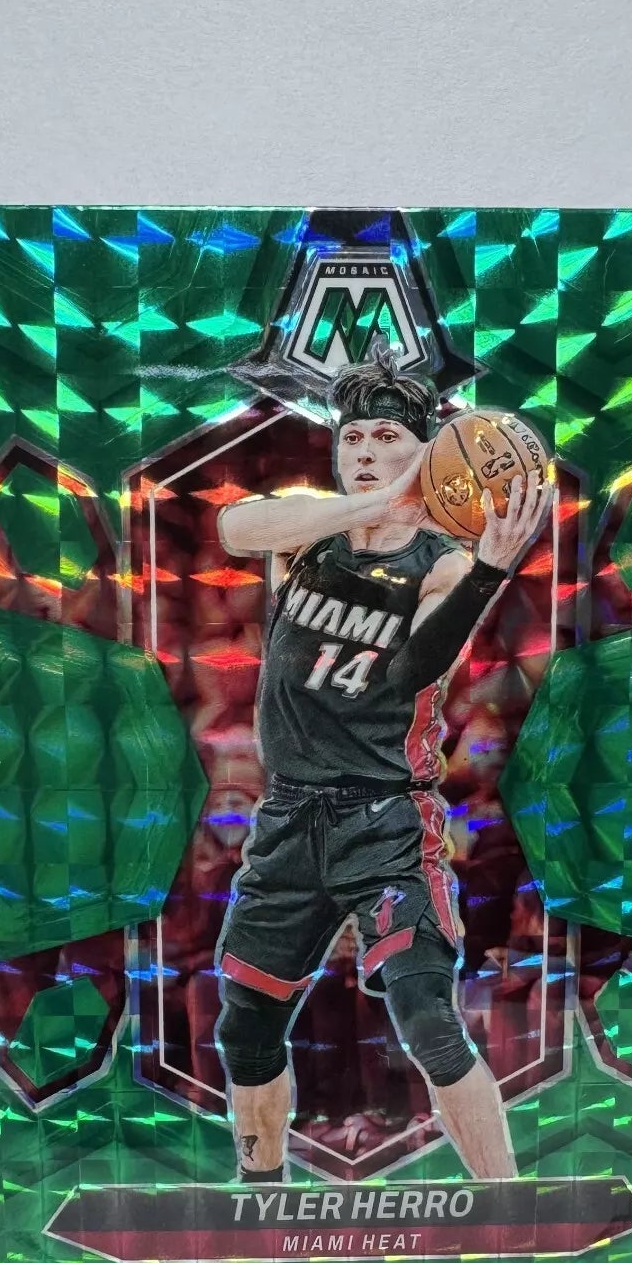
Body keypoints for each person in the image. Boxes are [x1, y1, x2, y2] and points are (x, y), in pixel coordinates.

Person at [213, 352, 554, 1182]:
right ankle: (260, 1196)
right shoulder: (308, 533)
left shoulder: (442, 563)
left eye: (387, 437)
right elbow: (233, 530)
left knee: (426, 1018)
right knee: (244, 1028)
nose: (365, 450)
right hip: (288, 818)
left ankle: (506, 1206)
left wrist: (489, 574)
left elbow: (411, 671)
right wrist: (377, 500)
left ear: (429, 449)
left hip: (385, 821)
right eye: (353, 436)